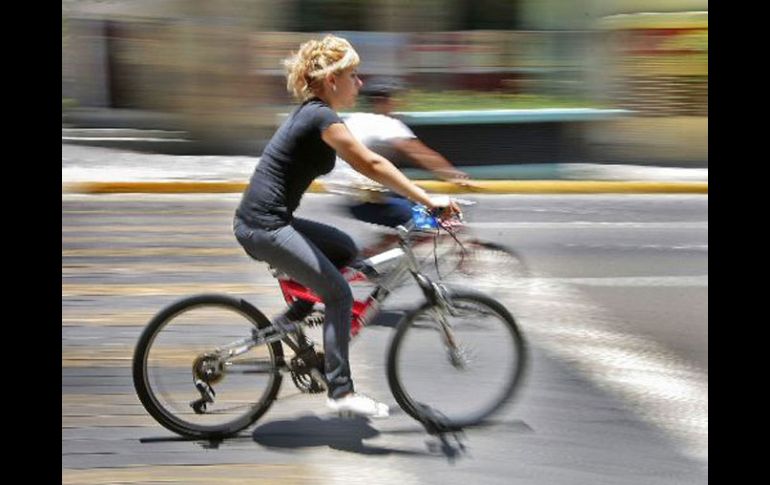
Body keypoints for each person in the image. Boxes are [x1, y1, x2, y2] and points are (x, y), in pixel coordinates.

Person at [233, 35, 458, 418]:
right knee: (339, 295)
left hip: (271, 221)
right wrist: (427, 198)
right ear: (331, 79)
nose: (360, 83)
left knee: (344, 249)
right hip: (263, 226)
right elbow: (371, 163)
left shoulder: (317, 116)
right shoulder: (319, 115)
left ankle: (292, 321)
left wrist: (388, 193)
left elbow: (359, 167)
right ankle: (340, 390)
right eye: (353, 75)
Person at [322, 77, 475, 255]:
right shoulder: (386, 123)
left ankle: (381, 250)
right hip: (364, 198)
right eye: (396, 98)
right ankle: (371, 259)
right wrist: (454, 175)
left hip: (357, 195)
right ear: (383, 101)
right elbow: (420, 154)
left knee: (418, 208)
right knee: (427, 222)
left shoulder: (353, 119)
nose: (400, 103)